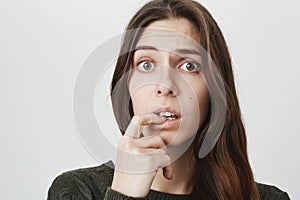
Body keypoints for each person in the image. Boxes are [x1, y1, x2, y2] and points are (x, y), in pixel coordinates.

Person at [47, 0, 290, 199]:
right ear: (127, 87)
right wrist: (124, 193)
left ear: (216, 89)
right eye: (146, 64)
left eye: (188, 65)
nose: (165, 85)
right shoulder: (76, 191)